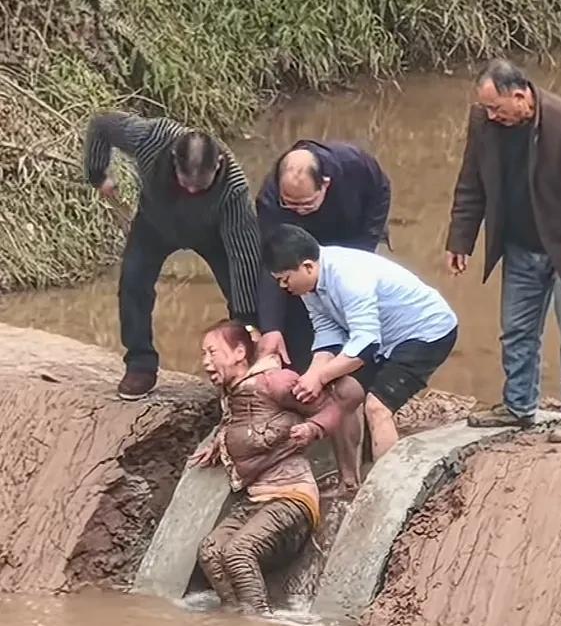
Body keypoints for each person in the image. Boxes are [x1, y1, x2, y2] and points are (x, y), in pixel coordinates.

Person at [445, 59, 561, 443]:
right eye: (486, 109)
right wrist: (461, 239)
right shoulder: (485, 124)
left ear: (521, 96)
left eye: (498, 109)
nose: (491, 116)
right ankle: (518, 406)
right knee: (517, 332)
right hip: (520, 245)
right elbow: (471, 182)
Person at [84, 111, 261, 400]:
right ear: (175, 161)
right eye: (185, 182)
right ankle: (140, 364)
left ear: (218, 165)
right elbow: (101, 124)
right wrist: (97, 174)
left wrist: (248, 321)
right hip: (154, 224)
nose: (191, 190)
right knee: (133, 283)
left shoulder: (234, 188)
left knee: (243, 295)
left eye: (200, 186)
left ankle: (242, 369)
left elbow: (244, 260)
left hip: (212, 233)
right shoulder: (151, 138)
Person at [192, 321, 362, 613]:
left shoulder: (275, 382)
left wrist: (313, 428)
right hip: (256, 497)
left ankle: (259, 624)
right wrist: (219, 443)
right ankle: (235, 615)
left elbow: (336, 406)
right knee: (210, 551)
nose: (206, 361)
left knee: (238, 552)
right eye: (204, 354)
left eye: (212, 352)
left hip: (291, 497)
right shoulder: (232, 392)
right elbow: (237, 422)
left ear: (239, 353)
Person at [263, 227, 458, 460]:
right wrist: (313, 373)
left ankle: (386, 490)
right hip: (382, 336)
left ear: (307, 266)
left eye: (285, 280)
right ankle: (349, 482)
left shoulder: (349, 277)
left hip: (425, 331)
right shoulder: (309, 284)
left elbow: (365, 344)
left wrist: (321, 376)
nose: (283, 288)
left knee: (377, 407)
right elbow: (327, 331)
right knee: (343, 393)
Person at [256, 140, 392, 373]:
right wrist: (271, 327)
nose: (299, 210)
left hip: (351, 237)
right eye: (291, 204)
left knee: (358, 309)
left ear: (325, 185)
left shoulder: (354, 164)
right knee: (299, 309)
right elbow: (273, 262)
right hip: (297, 251)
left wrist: (364, 249)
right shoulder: (270, 200)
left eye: (306, 203)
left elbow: (381, 191)